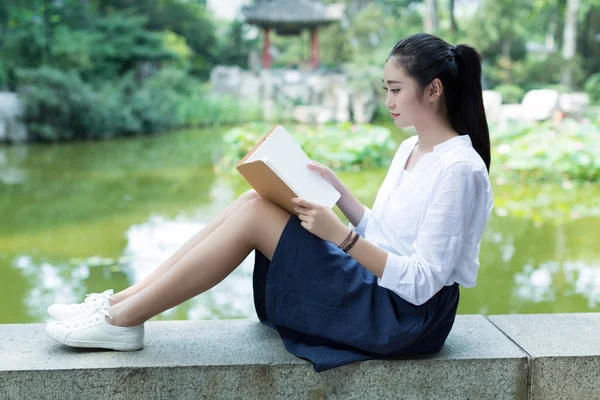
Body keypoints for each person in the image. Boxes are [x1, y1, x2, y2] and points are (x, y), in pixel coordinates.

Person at [45, 33, 494, 372]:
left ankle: (123, 321)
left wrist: (340, 235)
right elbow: (389, 236)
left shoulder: (460, 170)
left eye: (396, 89)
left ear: (433, 90)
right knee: (253, 199)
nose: (388, 101)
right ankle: (118, 305)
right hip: (381, 289)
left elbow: (421, 281)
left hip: (405, 318)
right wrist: (338, 195)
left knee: (259, 215)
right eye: (386, 89)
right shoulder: (411, 149)